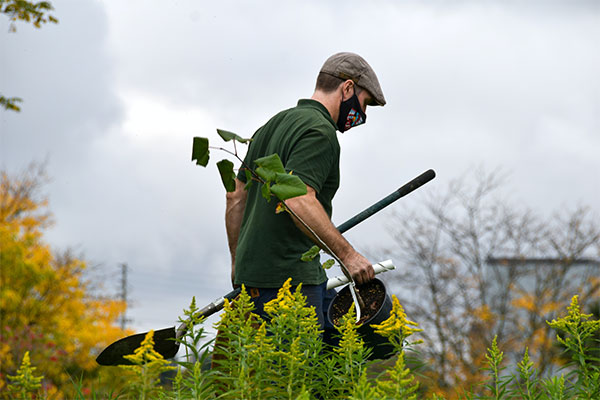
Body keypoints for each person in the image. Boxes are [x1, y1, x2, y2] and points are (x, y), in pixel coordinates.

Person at [225, 52, 386, 330]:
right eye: (365, 103)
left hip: (252, 282)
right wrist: (348, 256)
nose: (363, 115)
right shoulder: (320, 131)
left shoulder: (271, 126)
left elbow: (236, 195)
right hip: (291, 282)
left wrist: (238, 263)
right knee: (299, 369)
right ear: (347, 88)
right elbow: (299, 199)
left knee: (331, 349)